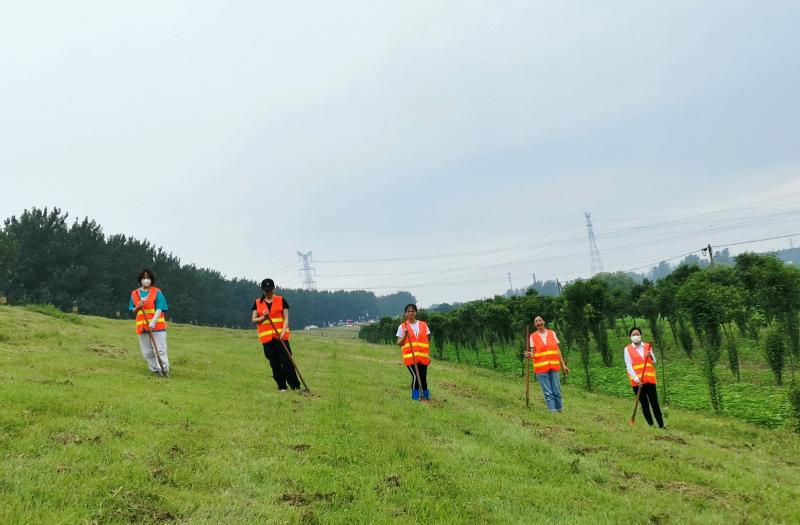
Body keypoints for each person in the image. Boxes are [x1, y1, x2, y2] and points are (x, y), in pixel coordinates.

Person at [252, 278, 300, 392]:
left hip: (281, 337)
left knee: (287, 362)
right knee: (275, 363)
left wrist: (283, 332)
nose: (268, 292)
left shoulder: (281, 300)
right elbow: (254, 320)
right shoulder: (258, 302)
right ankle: (282, 386)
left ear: (274, 288)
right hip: (267, 339)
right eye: (266, 290)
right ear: (263, 290)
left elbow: (286, 318)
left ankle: (295, 386)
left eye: (270, 290)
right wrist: (263, 317)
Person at [129, 269, 169, 376]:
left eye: (148, 278)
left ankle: (163, 370)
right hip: (142, 327)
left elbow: (160, 307)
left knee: (160, 351)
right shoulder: (135, 294)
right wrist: (138, 306)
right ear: (140, 280)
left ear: (151, 279)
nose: (146, 280)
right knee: (147, 352)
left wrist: (153, 321)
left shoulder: (157, 292)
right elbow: (132, 309)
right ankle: (155, 370)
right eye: (143, 278)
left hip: (157, 326)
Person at [526, 316, 569, 412]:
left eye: (540, 320)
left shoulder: (552, 333)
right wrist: (530, 355)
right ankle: (552, 412)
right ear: (535, 325)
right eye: (536, 321)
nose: (538, 322)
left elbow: (558, 350)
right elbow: (533, 353)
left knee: (557, 391)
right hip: (541, 369)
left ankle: (560, 410)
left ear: (543, 322)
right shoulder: (532, 336)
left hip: (554, 366)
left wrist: (563, 365)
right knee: (548, 392)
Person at [624, 327, 664, 428]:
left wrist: (650, 355)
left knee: (654, 403)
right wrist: (637, 381)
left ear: (640, 335)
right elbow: (629, 366)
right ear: (630, 337)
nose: (635, 336)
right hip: (637, 383)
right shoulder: (627, 349)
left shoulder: (647, 346)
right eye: (633, 334)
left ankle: (661, 426)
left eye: (637, 334)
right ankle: (651, 425)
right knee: (645, 404)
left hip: (649, 380)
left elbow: (654, 361)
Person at [395, 304, 431, 401]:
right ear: (405, 313)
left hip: (423, 357)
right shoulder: (402, 327)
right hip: (410, 358)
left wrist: (428, 356)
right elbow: (399, 343)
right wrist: (405, 335)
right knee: (415, 376)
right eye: (408, 311)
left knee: (423, 378)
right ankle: (415, 399)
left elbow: (426, 341)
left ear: (416, 312)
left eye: (412, 311)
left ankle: (426, 397)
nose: (410, 313)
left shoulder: (424, 325)